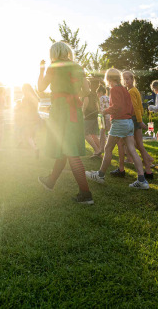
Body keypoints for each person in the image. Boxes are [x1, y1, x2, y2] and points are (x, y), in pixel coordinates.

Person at [37, 42, 95, 203]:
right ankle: (50, 181)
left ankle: (85, 194)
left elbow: (41, 87)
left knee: (70, 151)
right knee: (64, 148)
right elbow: (87, 91)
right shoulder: (78, 67)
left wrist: (41, 70)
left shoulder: (54, 66)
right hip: (74, 109)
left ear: (54, 53)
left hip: (60, 110)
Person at [86, 68, 151, 190]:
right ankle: (142, 180)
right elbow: (130, 108)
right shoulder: (125, 90)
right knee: (132, 149)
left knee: (108, 148)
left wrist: (105, 110)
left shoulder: (114, 89)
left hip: (120, 122)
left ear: (109, 78)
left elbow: (117, 106)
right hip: (129, 122)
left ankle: (100, 175)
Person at [120, 71, 154, 172]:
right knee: (138, 144)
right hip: (136, 119)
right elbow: (140, 107)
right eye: (124, 79)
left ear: (132, 80)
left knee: (131, 143)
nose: (126, 81)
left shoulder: (131, 91)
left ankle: (146, 161)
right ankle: (148, 162)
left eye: (128, 79)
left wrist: (139, 121)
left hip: (134, 119)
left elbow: (136, 107)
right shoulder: (134, 90)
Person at [16, 83, 41, 159]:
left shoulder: (25, 98)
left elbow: (24, 110)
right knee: (31, 135)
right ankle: (33, 149)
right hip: (36, 118)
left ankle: (35, 148)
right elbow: (36, 109)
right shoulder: (35, 97)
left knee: (27, 136)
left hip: (28, 119)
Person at [82, 81, 102, 158]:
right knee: (93, 134)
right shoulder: (93, 94)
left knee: (85, 134)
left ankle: (96, 150)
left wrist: (82, 113)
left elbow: (85, 103)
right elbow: (97, 105)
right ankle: (100, 151)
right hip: (94, 116)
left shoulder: (86, 94)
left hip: (88, 116)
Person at [97, 85, 110, 153]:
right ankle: (103, 148)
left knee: (102, 133)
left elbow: (101, 108)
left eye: (98, 93)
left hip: (102, 116)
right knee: (108, 132)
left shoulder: (101, 98)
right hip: (108, 116)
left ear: (101, 92)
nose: (97, 94)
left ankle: (102, 148)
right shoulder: (108, 97)